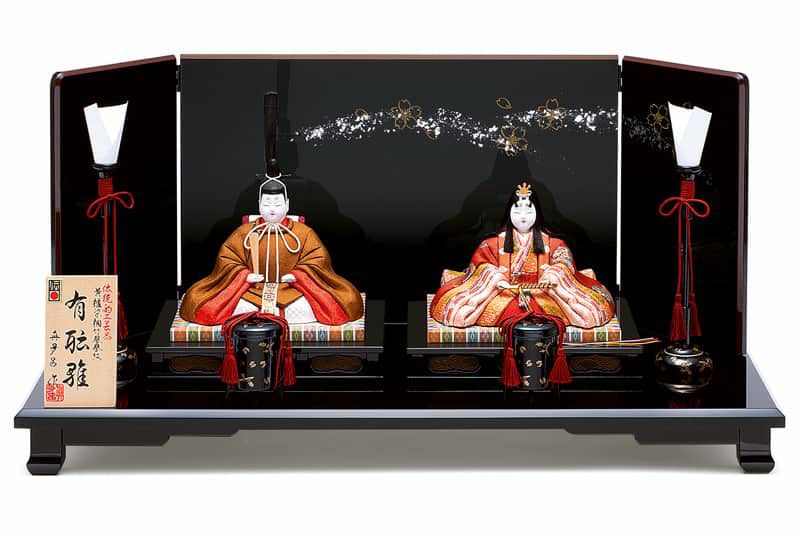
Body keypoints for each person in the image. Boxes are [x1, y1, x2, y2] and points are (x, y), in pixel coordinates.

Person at [179, 177, 363, 325]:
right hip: (251, 290)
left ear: (287, 204)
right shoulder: (245, 232)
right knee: (201, 301)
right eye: (267, 204)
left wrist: (298, 275)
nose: (272, 209)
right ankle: (264, 315)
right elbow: (228, 259)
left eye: (277, 204)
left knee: (342, 301)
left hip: (292, 290)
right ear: (259, 204)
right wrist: (245, 276)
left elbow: (317, 259)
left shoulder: (303, 233)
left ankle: (266, 316)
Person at [430, 182, 614, 329]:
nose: (523, 216)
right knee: (459, 310)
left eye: (529, 210)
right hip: (502, 292)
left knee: (589, 311)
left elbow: (563, 261)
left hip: (545, 292)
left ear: (538, 213)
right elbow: (480, 265)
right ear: (509, 213)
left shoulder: (554, 243)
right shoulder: (492, 243)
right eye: (517, 210)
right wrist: (493, 277)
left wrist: (555, 273)